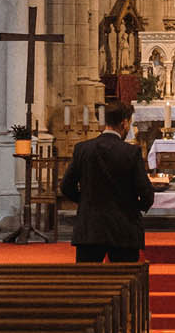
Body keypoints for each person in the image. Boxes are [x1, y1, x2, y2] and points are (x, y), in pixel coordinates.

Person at [59, 98, 154, 262]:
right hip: (124, 228)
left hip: (90, 227)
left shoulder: (83, 149)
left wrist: (86, 200)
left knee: (87, 283)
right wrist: (132, 206)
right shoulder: (131, 152)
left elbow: (66, 186)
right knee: (125, 280)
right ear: (124, 123)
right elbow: (146, 193)